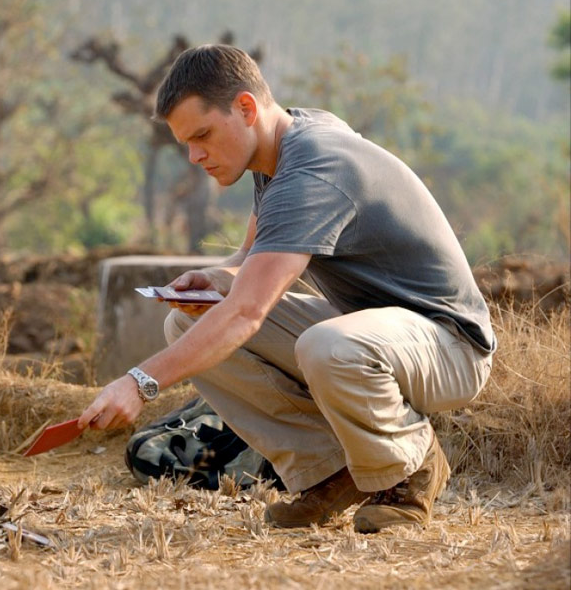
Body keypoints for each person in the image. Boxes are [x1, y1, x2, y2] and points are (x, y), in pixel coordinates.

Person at [77, 45, 495, 533]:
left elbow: (246, 313)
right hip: (380, 335)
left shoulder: (312, 170)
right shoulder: (282, 146)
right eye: (185, 143)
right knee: (188, 318)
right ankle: (332, 471)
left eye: (203, 136)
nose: (194, 156)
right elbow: (247, 262)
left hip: (449, 345)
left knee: (326, 345)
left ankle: (409, 468)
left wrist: (139, 382)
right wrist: (220, 277)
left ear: (246, 108)